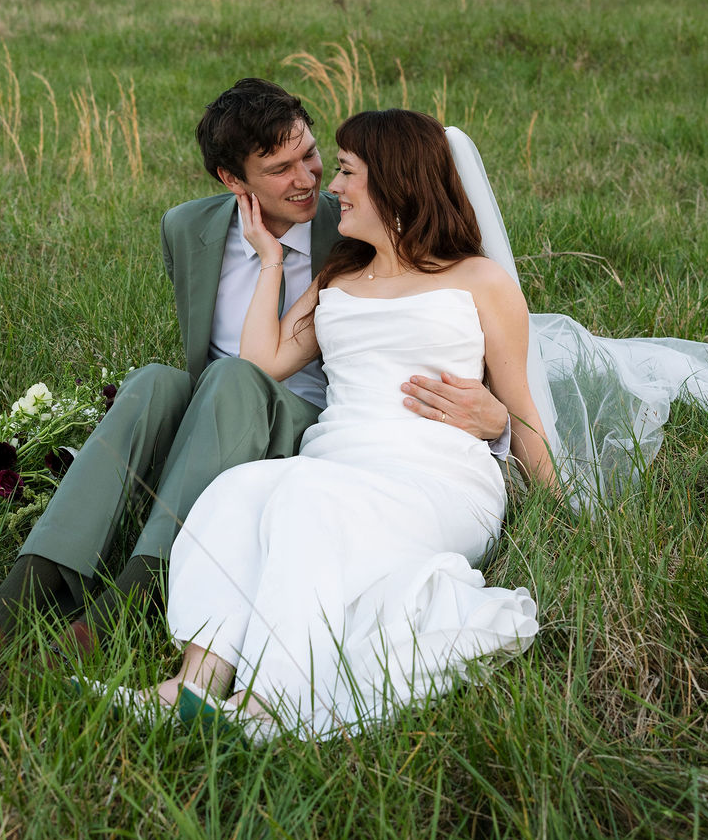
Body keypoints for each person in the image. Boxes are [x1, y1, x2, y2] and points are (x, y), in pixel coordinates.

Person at [0, 82, 509, 668]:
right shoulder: (187, 229)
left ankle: (132, 599)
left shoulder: (354, 224)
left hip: (317, 425)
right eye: (280, 168)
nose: (309, 178)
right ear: (234, 180)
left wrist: (497, 417)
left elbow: (438, 331)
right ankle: (24, 591)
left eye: (310, 154)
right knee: (152, 380)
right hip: (219, 415)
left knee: (234, 380)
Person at [115, 110, 554, 740]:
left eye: (346, 172)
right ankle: (195, 682)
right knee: (239, 492)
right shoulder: (339, 277)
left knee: (303, 499)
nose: (332, 187)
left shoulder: (479, 280)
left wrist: (539, 476)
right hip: (340, 461)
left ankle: (272, 698)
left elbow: (524, 415)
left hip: (438, 477)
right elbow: (262, 361)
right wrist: (270, 259)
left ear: (397, 184)